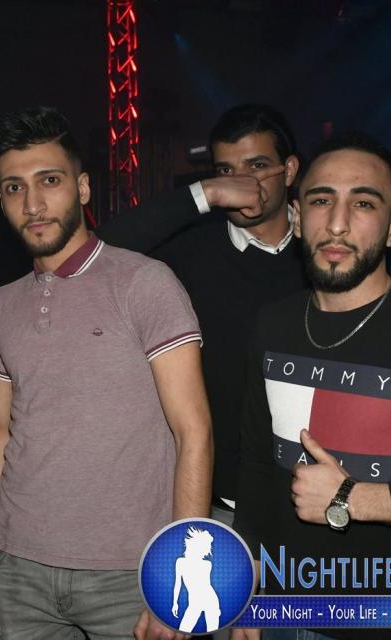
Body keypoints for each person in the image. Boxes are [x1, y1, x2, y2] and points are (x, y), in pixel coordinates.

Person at [0, 106, 213, 640]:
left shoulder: (144, 283)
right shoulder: (2, 305)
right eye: (14, 188)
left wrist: (173, 579)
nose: (32, 204)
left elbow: (194, 433)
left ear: (84, 187)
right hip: (18, 570)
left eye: (49, 180)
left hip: (129, 573)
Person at [99, 105, 307, 524]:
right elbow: (103, 250)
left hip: (310, 503)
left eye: (257, 166)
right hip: (217, 503)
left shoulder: (322, 253)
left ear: (289, 170)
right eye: (227, 171)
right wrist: (205, 194)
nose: (242, 182)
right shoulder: (194, 251)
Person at [232, 132, 391, 640]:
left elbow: (347, 497)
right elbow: (258, 466)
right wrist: (250, 589)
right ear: (298, 218)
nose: (337, 223)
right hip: (286, 609)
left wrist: (355, 498)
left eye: (363, 203)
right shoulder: (272, 324)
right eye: (321, 200)